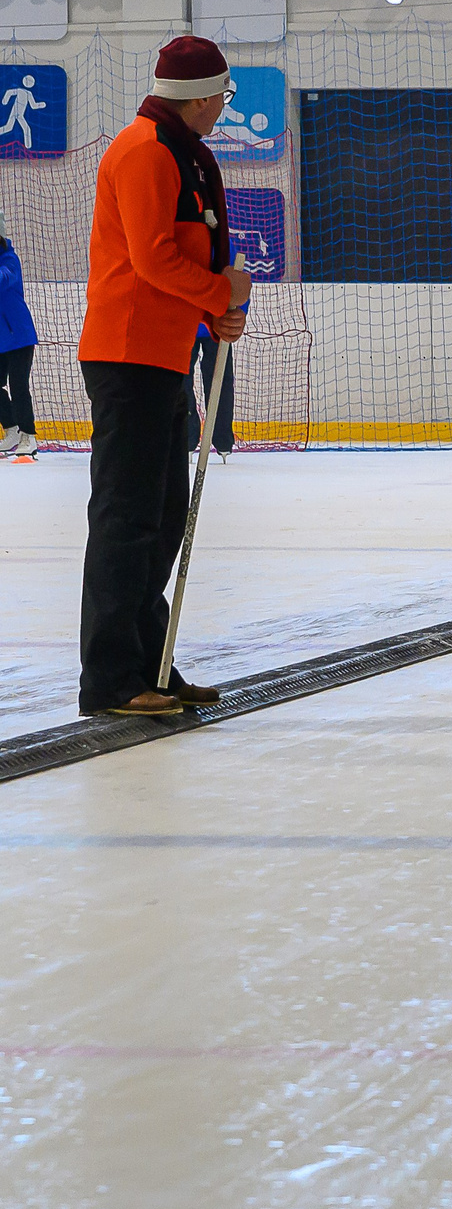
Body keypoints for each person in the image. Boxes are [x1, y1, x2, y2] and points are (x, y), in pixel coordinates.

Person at [76, 35, 253, 718]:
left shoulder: (181, 151)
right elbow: (152, 260)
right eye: (222, 98)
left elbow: (184, 257)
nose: (221, 109)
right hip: (128, 355)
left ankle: (151, 662)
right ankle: (113, 678)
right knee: (128, 519)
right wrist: (218, 291)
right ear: (202, 96)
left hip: (161, 353)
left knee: (159, 516)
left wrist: (217, 312)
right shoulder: (148, 151)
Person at [0, 214, 36, 460]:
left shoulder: (9, 259)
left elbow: (4, 278)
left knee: (19, 385)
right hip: (2, 339)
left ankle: (28, 436)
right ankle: (11, 429)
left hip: (19, 335)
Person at [183, 322, 237, 460]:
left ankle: (222, 441)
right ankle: (187, 439)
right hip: (186, 323)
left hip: (217, 323)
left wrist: (239, 312)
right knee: (180, 382)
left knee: (220, 383)